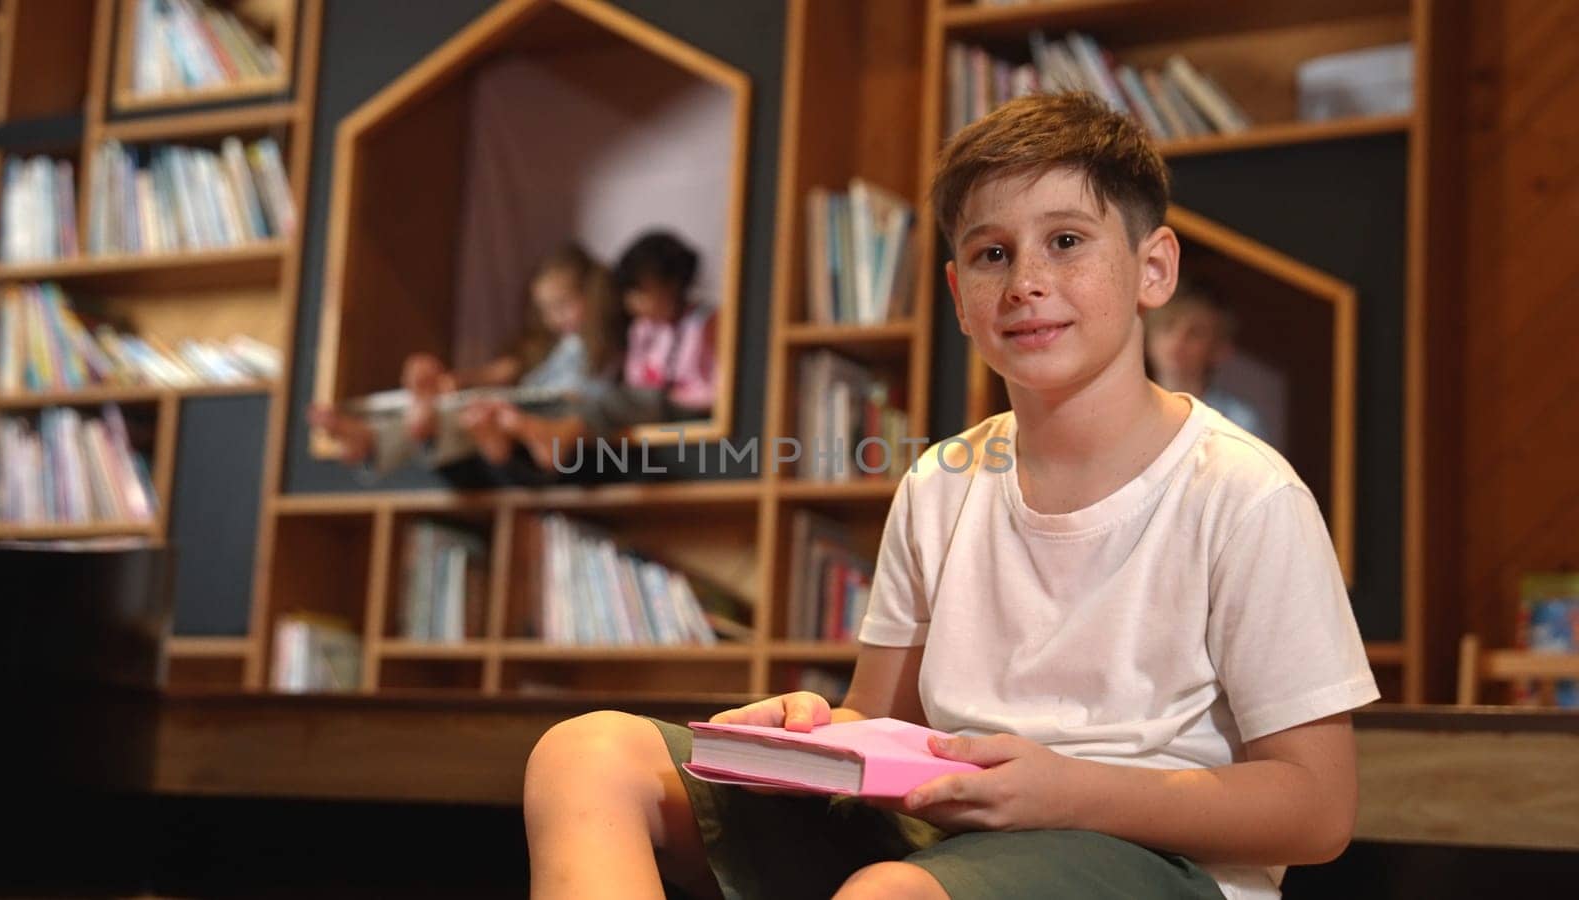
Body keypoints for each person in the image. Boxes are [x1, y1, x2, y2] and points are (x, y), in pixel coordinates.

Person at [521, 91, 1378, 900]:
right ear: (958, 297)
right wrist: (809, 734)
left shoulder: (1245, 493)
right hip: (945, 837)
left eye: (1068, 241)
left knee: (892, 893)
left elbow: (1315, 809)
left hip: (1159, 861)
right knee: (583, 754)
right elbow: (879, 721)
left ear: (1154, 269)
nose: (1025, 281)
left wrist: (1068, 792)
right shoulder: (940, 483)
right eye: (992, 253)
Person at [306, 243, 624, 476]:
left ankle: (381, 437)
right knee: (461, 414)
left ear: (593, 295)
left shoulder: (603, 346)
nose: (556, 318)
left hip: (557, 411)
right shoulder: (545, 349)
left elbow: (602, 397)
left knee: (464, 419)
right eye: (547, 310)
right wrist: (457, 381)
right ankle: (377, 434)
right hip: (519, 406)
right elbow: (500, 371)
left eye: (564, 305)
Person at [463, 230, 719, 470]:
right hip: (640, 399)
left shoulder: (703, 322)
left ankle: (552, 438)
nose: (632, 303)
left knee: (610, 402)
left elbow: (714, 385)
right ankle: (501, 444)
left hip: (677, 403)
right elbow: (636, 377)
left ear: (672, 285)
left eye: (641, 292)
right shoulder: (643, 330)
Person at [1145, 280, 1265, 437]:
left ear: (1220, 349)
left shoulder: (1240, 422)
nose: (1178, 340)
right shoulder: (1124, 404)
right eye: (1168, 325)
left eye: (1196, 332)